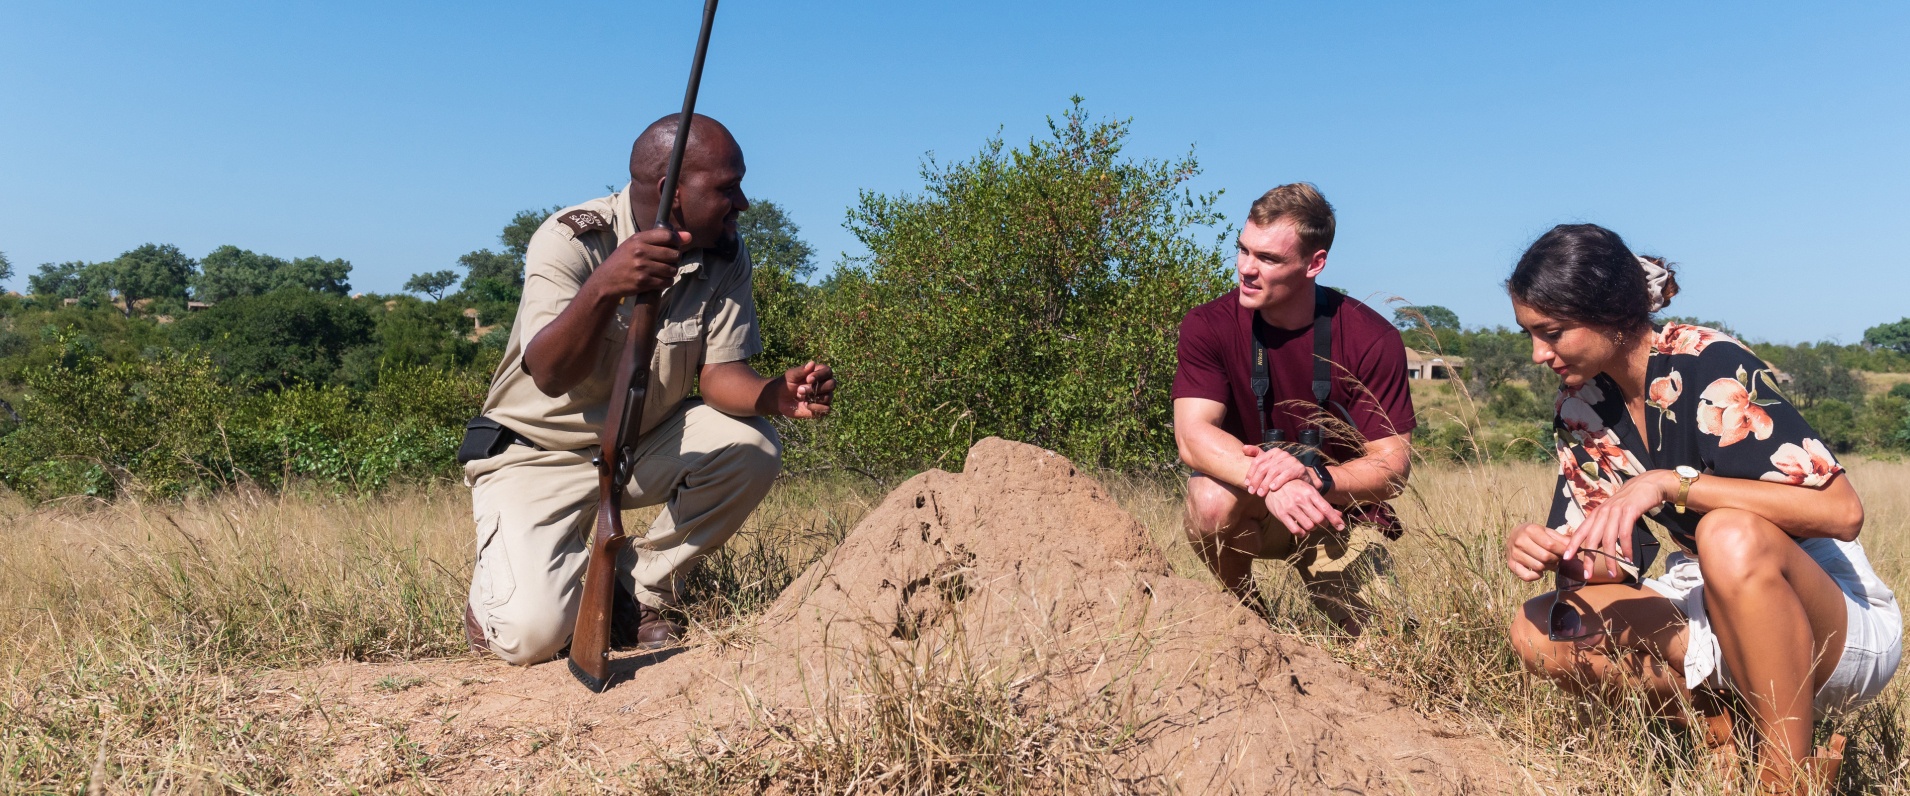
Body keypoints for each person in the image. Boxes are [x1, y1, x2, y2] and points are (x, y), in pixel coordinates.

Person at [1502, 224, 1902, 793]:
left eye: (1552, 333)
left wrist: (1673, 485)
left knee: (1728, 534)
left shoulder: (1706, 360)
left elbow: (1842, 513)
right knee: (1542, 628)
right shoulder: (1581, 408)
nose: (1538, 354)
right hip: (1711, 600)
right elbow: (1609, 567)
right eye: (1529, 334)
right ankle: (1723, 719)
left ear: (1613, 314)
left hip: (1829, 612)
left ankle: (1785, 779)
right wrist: (1554, 551)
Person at [460, 113, 837, 666]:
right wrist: (605, 286)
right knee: (533, 636)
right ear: (672, 193)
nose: (743, 204)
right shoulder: (571, 238)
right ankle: (498, 604)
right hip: (533, 455)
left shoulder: (726, 254)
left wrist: (770, 396)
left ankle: (636, 592)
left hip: (637, 445)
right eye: (727, 189)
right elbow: (549, 373)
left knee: (753, 445)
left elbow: (717, 376)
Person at [1171, 183, 1416, 635]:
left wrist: (1314, 479)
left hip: (1336, 510)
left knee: (1388, 641)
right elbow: (1192, 437)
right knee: (1208, 499)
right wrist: (1271, 483)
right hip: (1255, 507)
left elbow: (1393, 467)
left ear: (1314, 263)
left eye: (1268, 259)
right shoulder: (1208, 325)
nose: (1246, 269)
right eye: (1243, 249)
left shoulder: (1371, 337)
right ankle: (1251, 624)